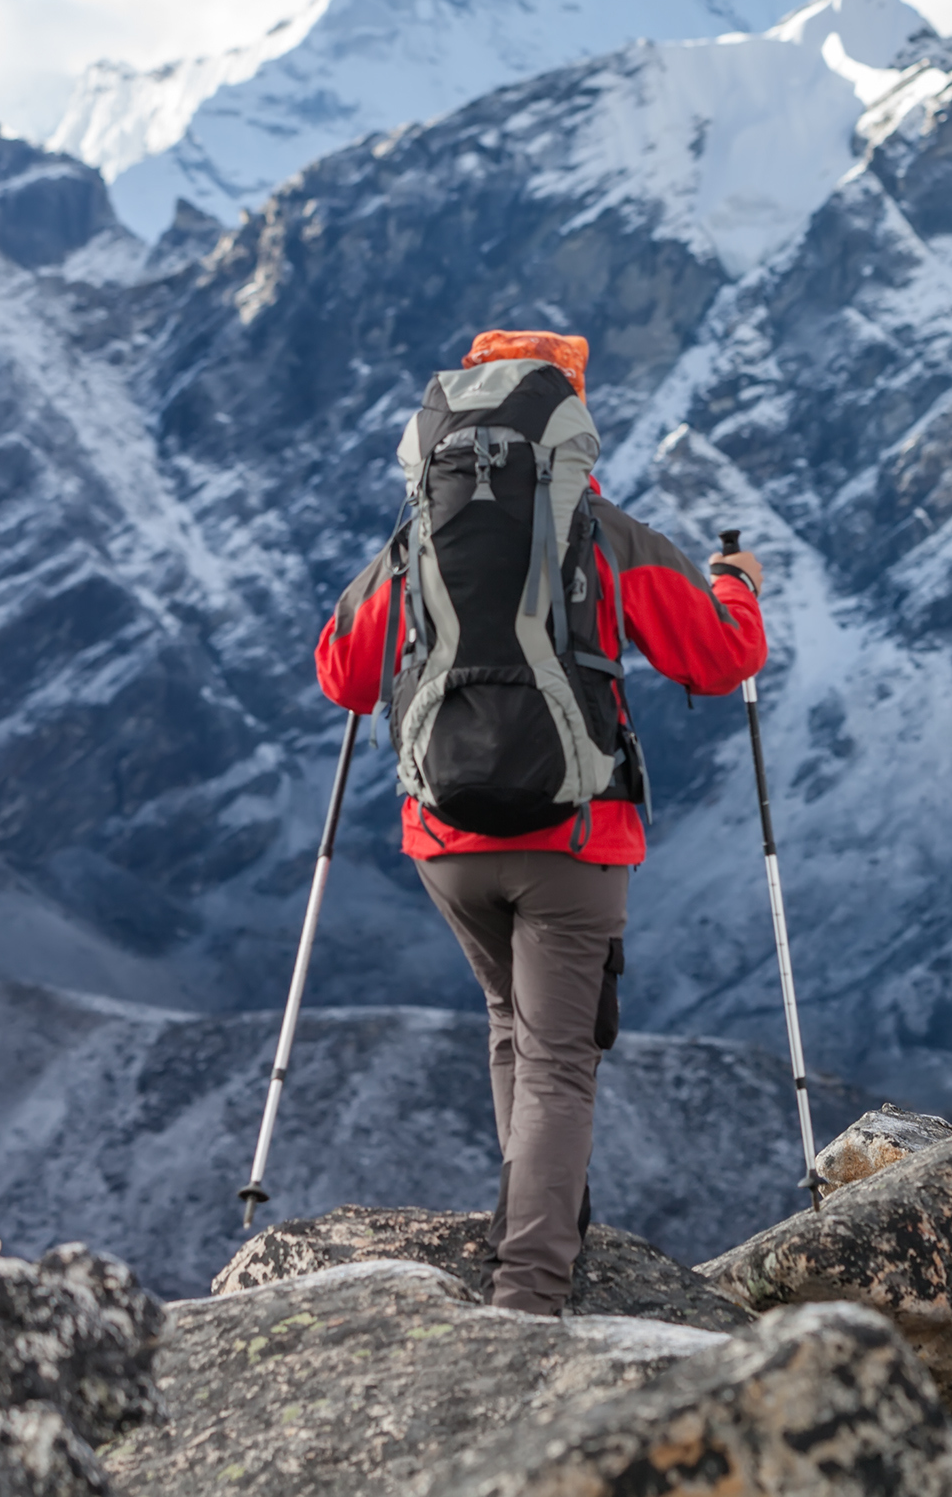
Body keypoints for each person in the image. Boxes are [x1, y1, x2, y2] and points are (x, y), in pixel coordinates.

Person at [313, 328, 766, 1315]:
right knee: (559, 1056)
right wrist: (736, 583)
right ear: (568, 424)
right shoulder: (604, 537)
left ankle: (539, 1224)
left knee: (511, 1029)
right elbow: (721, 658)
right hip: (572, 836)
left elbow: (342, 672)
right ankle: (531, 1288)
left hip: (444, 841)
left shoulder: (416, 541)